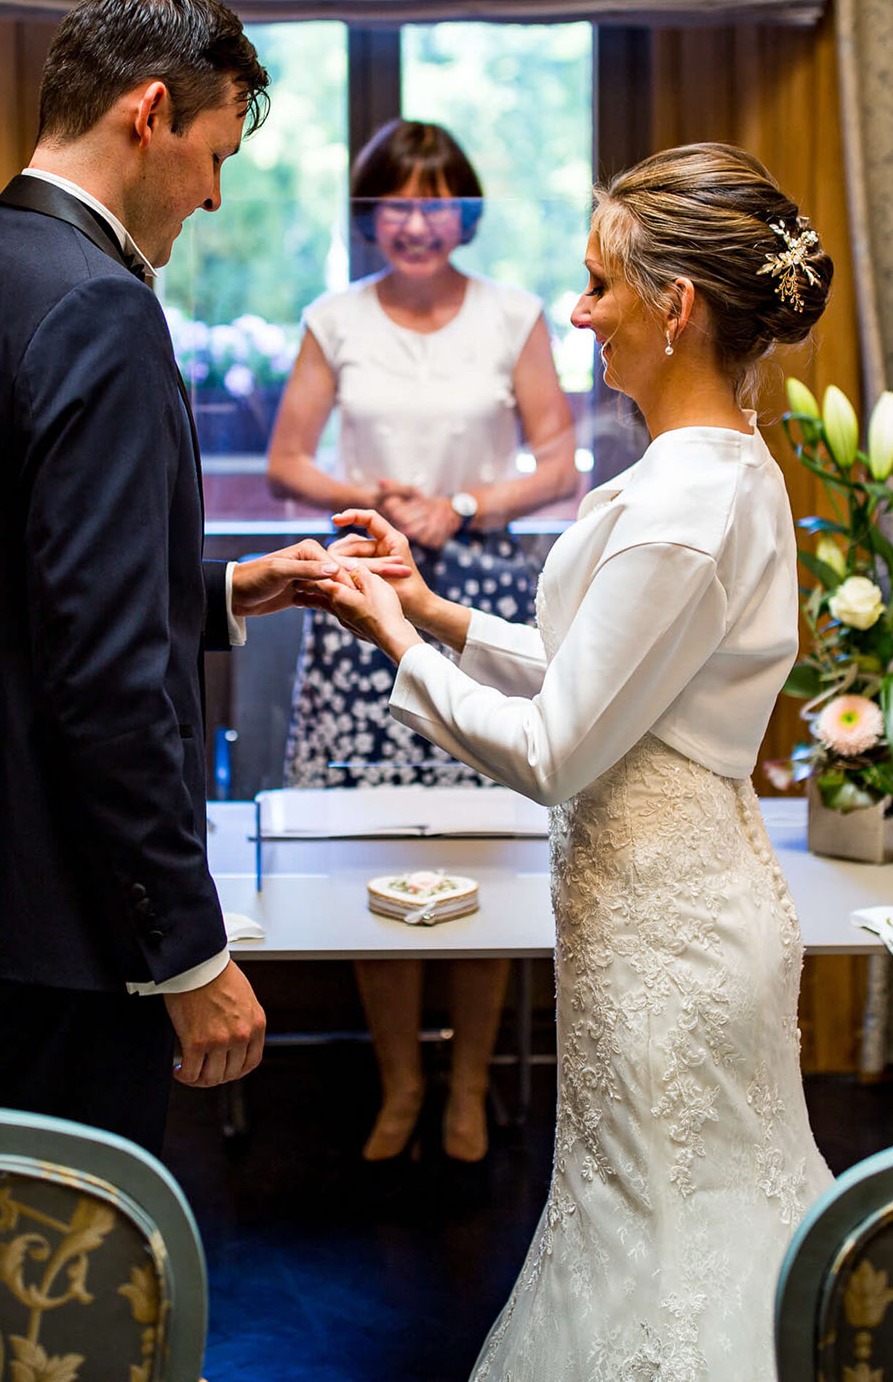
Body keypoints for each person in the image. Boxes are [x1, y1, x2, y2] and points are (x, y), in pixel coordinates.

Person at [302, 143, 835, 1379]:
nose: (582, 312)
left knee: (674, 1243)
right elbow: (589, 667)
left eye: (599, 285)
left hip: (671, 930)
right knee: (645, 1226)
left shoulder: (685, 505)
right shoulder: (702, 472)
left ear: (677, 305)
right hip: (650, 907)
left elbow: (554, 750)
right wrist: (434, 611)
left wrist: (389, 639)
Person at [0, 0, 344, 1155]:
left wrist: (222, 593)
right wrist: (187, 946)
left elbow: (9, 588)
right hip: (57, 914)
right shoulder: (98, 309)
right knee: (85, 1286)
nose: (216, 196)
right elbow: (105, 680)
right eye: (214, 154)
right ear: (151, 111)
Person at [266, 118, 579, 1163]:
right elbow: (286, 462)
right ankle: (399, 1083)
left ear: (466, 212)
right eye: (393, 202)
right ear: (369, 218)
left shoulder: (515, 313)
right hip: (363, 585)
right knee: (376, 847)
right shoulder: (333, 317)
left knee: (481, 841)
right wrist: (376, 495)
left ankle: (467, 1089)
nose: (413, 220)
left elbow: (559, 460)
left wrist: (463, 500)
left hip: (480, 586)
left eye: (434, 199)